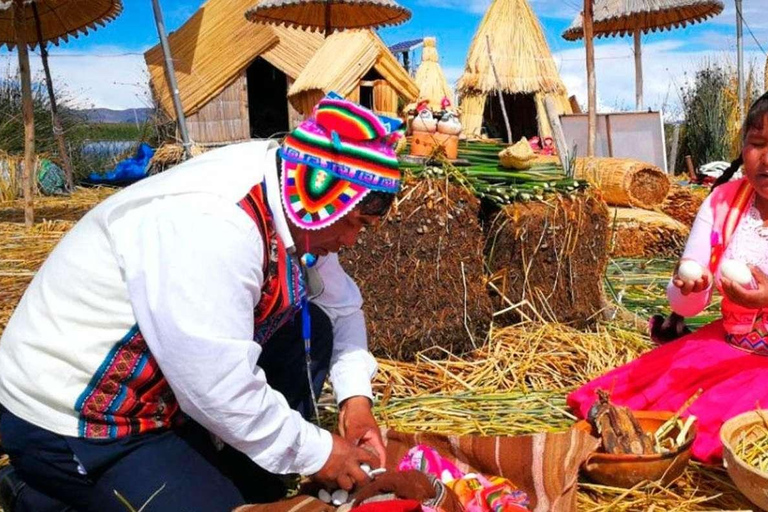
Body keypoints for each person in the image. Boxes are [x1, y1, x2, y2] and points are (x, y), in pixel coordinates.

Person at [0, 94, 404, 511]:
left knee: (314, 327)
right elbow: (217, 387)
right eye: (354, 223)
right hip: (77, 417)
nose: (352, 241)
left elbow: (342, 310)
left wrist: (355, 400)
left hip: (171, 392)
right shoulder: (214, 225)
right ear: (318, 192)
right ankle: (38, 488)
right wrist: (321, 453)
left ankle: (240, 477)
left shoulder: (292, 195)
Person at [568, 91, 768, 464]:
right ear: (742, 147)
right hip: (730, 343)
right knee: (649, 406)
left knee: (740, 430)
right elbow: (687, 304)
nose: (767, 159)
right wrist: (689, 287)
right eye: (757, 144)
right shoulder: (724, 202)